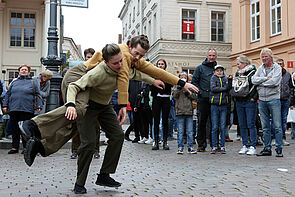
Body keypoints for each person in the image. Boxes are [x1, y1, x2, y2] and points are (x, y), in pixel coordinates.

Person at [20, 35, 198, 163]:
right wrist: (122, 105)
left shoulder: (132, 59)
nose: (138, 58)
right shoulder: (123, 53)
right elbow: (123, 79)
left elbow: (154, 71)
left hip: (90, 85)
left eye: (141, 55)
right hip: (79, 75)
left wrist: (181, 83)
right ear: (130, 46)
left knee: (77, 122)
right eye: (136, 53)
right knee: (78, 109)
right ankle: (33, 125)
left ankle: (41, 147)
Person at [64, 44, 171, 194]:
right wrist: (70, 105)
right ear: (106, 62)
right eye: (116, 63)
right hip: (90, 107)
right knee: (88, 144)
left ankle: (104, 175)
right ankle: (79, 183)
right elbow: (74, 86)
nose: (120, 65)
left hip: (105, 106)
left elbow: (135, 74)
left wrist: (152, 81)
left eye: (121, 61)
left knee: (118, 135)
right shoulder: (97, 73)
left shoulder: (122, 66)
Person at [3, 65, 42, 154]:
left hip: (27, 109)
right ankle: (14, 147)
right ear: (19, 71)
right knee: (15, 129)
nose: (23, 71)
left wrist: (39, 105)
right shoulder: (14, 82)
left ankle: (25, 147)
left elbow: (38, 94)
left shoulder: (33, 82)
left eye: (25, 70)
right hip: (14, 108)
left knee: (25, 129)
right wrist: (5, 105)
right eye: (22, 70)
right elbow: (8, 94)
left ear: (28, 72)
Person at [252, 48, 283, 157]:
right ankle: (267, 148)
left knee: (277, 126)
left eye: (266, 56)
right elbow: (253, 80)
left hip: (274, 99)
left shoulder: (277, 68)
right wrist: (265, 79)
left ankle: (279, 148)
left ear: (271, 57)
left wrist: (260, 82)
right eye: (262, 57)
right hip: (262, 100)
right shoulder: (260, 68)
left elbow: (274, 82)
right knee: (265, 126)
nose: (264, 59)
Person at [70, 47, 100, 159]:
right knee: (77, 127)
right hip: (81, 101)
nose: (90, 59)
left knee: (95, 127)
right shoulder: (80, 69)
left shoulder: (98, 70)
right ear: (85, 58)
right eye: (88, 57)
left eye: (92, 57)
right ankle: (75, 150)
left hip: (94, 101)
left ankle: (95, 150)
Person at [191, 49, 217, 152]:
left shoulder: (217, 69)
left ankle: (214, 144)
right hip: (203, 99)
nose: (211, 57)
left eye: (213, 55)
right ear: (207, 56)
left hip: (215, 100)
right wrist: (200, 92)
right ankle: (201, 144)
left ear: (216, 57)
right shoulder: (200, 68)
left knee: (214, 123)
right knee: (201, 122)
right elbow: (194, 82)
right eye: (210, 55)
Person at [234, 55, 258, 155]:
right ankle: (245, 145)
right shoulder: (237, 73)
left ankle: (253, 146)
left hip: (250, 101)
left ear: (244, 63)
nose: (237, 66)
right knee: (242, 124)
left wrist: (254, 98)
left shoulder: (253, 72)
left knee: (251, 123)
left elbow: (257, 86)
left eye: (238, 64)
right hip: (239, 101)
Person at [150, 59, 173, 150]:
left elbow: (169, 86)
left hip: (166, 99)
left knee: (165, 121)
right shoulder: (154, 76)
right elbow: (152, 87)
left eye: (162, 64)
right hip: (157, 99)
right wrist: (161, 86)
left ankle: (165, 141)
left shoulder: (168, 76)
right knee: (156, 121)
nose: (160, 65)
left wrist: (162, 86)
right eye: (159, 64)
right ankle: (156, 141)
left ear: (165, 65)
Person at [172, 71, 197, 154]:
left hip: (189, 111)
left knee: (190, 131)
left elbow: (194, 96)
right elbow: (174, 96)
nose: (183, 78)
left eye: (185, 77)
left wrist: (188, 93)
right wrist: (179, 89)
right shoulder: (176, 86)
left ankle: (190, 147)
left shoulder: (190, 86)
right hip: (180, 111)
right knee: (180, 131)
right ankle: (180, 147)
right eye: (181, 77)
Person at [209, 65, 232, 154]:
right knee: (214, 127)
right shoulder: (213, 78)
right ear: (214, 71)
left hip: (223, 105)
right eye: (217, 71)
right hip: (214, 105)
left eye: (221, 71)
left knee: (222, 127)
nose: (219, 72)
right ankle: (214, 145)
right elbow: (213, 88)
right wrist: (224, 88)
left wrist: (228, 83)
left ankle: (222, 146)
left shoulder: (225, 78)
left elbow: (229, 88)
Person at [270, 58, 293, 146]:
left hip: (285, 100)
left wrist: (290, 98)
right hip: (275, 99)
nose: (279, 65)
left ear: (283, 65)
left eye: (281, 64)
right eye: (278, 63)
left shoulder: (287, 74)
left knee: (283, 120)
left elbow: (290, 87)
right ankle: (273, 138)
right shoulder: (273, 73)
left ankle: (282, 138)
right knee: (274, 121)